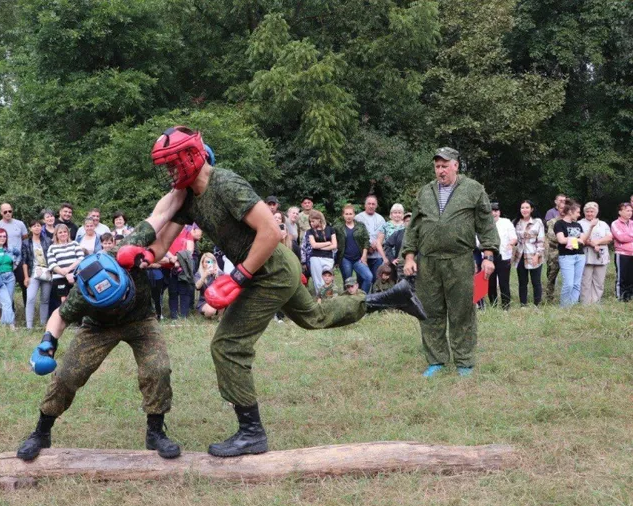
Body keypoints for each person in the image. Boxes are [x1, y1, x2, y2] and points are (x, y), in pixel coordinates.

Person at [134, 126, 425, 457]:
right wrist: (139, 256)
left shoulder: (226, 184)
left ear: (189, 157)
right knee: (315, 316)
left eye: (172, 164)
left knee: (228, 346)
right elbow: (160, 244)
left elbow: (271, 230)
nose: (169, 172)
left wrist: (240, 277)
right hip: (272, 268)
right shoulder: (188, 196)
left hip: (269, 271)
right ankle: (391, 297)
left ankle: (251, 432)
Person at [16, 192, 187, 461]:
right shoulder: (82, 293)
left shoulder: (127, 252)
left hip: (141, 320)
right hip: (99, 327)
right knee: (67, 375)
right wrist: (47, 343)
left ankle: (155, 432)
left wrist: (184, 193)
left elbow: (160, 215)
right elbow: (60, 316)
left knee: (158, 368)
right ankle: (41, 431)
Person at [402, 147, 499, 377]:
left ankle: (464, 361)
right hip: (429, 263)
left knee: (462, 311)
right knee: (430, 311)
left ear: (456, 165)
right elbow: (414, 226)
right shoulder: (425, 192)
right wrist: (408, 256)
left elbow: (486, 224)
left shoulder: (473, 189)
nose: (441, 170)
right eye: (437, 166)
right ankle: (436, 360)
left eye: (445, 165)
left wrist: (488, 255)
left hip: (460, 261)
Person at [0, 203, 28, 309]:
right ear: (1, 213)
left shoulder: (20, 224)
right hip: (5, 263)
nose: (8, 213)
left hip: (20, 261)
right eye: (5, 212)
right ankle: (10, 315)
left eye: (10, 211)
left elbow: (25, 239)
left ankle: (28, 313)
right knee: (8, 290)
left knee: (25, 287)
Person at [554, 198, 587, 307]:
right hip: (566, 257)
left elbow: (583, 239)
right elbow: (561, 240)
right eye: (577, 212)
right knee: (568, 284)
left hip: (580, 256)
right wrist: (576, 239)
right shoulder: (559, 224)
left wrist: (572, 239)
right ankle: (564, 307)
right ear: (570, 212)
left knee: (577, 284)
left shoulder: (578, 225)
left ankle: (572, 307)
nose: (579, 214)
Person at [512, 200, 545, 307]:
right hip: (520, 255)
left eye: (527, 207)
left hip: (533, 254)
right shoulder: (516, 222)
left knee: (536, 281)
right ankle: (523, 304)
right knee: (522, 282)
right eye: (522, 208)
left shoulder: (537, 222)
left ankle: (537, 304)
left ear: (531, 209)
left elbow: (541, 241)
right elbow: (514, 239)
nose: (524, 210)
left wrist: (537, 255)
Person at [578, 202, 612, 304]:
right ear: (584, 212)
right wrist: (592, 244)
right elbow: (581, 238)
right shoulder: (579, 223)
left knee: (599, 280)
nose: (589, 213)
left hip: (601, 254)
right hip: (586, 254)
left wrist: (597, 242)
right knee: (585, 280)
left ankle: (596, 301)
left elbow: (609, 238)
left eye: (592, 211)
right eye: (587, 211)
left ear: (596, 212)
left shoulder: (603, 224)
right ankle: (585, 302)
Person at [334, 204, 372, 293]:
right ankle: (348, 300)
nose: (348, 216)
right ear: (343, 215)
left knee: (368, 277)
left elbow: (366, 241)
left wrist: (364, 256)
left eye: (350, 214)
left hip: (359, 259)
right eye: (346, 214)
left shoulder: (361, 226)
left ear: (354, 215)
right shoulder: (338, 227)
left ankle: (362, 297)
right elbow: (331, 237)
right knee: (347, 282)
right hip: (345, 259)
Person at [22, 219, 52, 329]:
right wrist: (26, 277)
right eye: (34, 226)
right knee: (30, 298)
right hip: (33, 273)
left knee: (45, 300)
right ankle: (29, 326)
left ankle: (43, 324)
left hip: (47, 273)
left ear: (41, 227)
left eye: (39, 225)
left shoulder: (48, 241)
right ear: (30, 228)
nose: (37, 228)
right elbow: (24, 261)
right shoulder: (26, 243)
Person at [47, 224, 85, 311]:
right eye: (60, 232)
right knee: (63, 301)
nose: (63, 234)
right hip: (59, 278)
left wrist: (69, 271)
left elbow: (81, 258)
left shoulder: (74, 244)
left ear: (68, 233)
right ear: (56, 235)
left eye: (65, 232)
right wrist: (66, 274)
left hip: (75, 276)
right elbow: (52, 265)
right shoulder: (52, 248)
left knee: (78, 299)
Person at [489, 203, 517, 310]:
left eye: (496, 210)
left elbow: (514, 237)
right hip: (489, 256)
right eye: (492, 210)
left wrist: (511, 244)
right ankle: (493, 305)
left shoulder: (506, 222)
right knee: (490, 283)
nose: (494, 213)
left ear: (499, 212)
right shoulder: (484, 222)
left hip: (503, 255)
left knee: (504, 282)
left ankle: (506, 306)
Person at [164, 224, 195, 319]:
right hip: (171, 265)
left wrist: (177, 258)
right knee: (173, 291)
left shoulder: (187, 234)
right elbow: (165, 248)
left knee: (184, 291)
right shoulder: (168, 234)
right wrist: (172, 259)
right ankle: (174, 315)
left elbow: (190, 251)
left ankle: (183, 315)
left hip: (184, 266)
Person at [355, 195, 386, 280]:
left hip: (377, 256)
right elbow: (356, 237)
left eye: (373, 204)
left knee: (376, 279)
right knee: (362, 279)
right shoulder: (358, 218)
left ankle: (374, 293)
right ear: (365, 205)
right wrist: (368, 246)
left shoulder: (381, 219)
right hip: (362, 255)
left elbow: (384, 236)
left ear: (376, 206)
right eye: (369, 203)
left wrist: (375, 245)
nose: (371, 206)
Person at [306, 210, 337, 292]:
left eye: (313, 221)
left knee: (328, 278)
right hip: (315, 257)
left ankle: (329, 297)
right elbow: (314, 245)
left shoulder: (330, 229)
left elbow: (334, 245)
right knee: (317, 280)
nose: (311, 223)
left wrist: (320, 247)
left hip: (328, 257)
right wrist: (327, 243)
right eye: (310, 221)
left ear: (319, 219)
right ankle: (320, 297)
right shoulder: (310, 231)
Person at [610, 202, 633, 301]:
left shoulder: (632, 223)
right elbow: (621, 238)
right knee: (622, 277)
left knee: (631, 277)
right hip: (622, 254)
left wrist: (628, 235)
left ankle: (630, 296)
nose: (630, 213)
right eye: (627, 210)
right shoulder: (615, 223)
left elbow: (626, 236)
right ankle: (621, 297)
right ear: (620, 212)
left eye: (631, 211)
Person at [195, 252, 220, 318]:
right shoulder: (199, 274)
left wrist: (217, 277)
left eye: (211, 262)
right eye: (207, 262)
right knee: (210, 311)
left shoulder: (219, 273)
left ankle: (220, 316)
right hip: (205, 301)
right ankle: (209, 313)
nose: (209, 264)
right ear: (202, 263)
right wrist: (204, 276)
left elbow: (224, 288)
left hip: (218, 299)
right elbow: (197, 287)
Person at [544, 212, 562, 304]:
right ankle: (549, 298)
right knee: (551, 276)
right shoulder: (552, 221)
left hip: (568, 253)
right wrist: (566, 239)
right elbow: (552, 236)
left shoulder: (573, 221)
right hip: (554, 253)